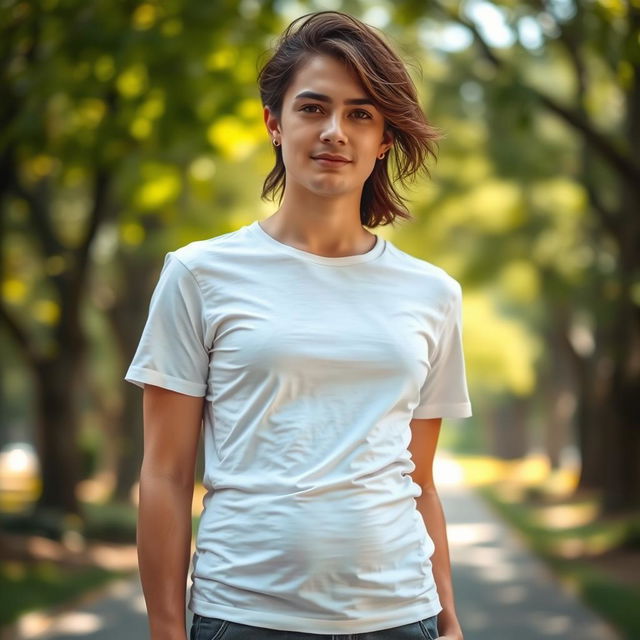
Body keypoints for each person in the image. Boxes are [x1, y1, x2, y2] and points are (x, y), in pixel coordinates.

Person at [125, 10, 472, 640]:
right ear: (274, 123)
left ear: (385, 138)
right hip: (245, 616)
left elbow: (420, 481)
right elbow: (166, 474)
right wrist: (166, 629)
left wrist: (448, 623)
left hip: (401, 616)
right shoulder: (199, 274)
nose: (335, 131)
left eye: (361, 114)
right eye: (313, 108)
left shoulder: (433, 294)